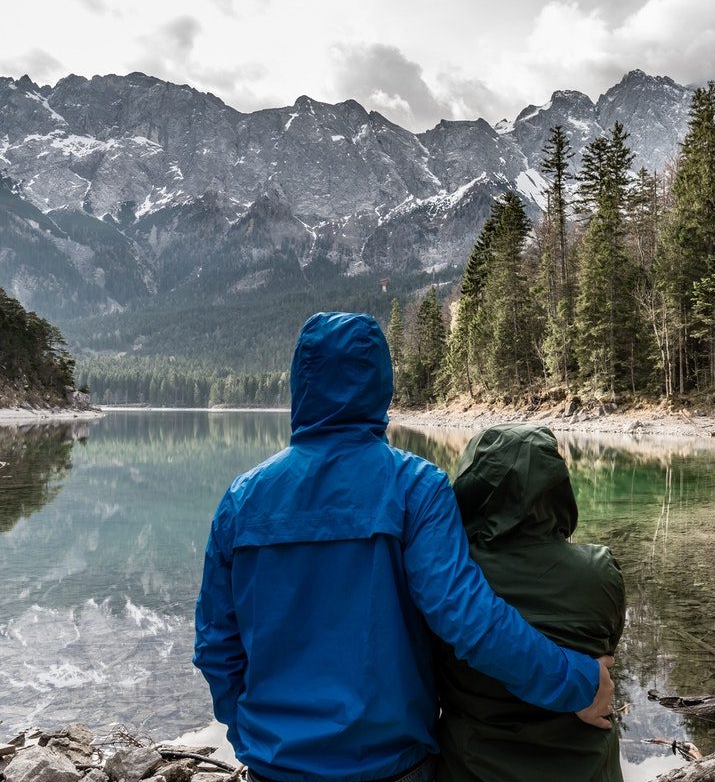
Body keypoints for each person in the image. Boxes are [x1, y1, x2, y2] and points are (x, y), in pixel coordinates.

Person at [193, 312, 614, 782]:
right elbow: (469, 622)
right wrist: (578, 682)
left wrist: (253, 733)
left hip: (274, 767)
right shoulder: (416, 486)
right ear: (381, 384)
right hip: (392, 767)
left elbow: (215, 647)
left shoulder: (241, 499)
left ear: (300, 382)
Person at [436, 423, 626, 782]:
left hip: (472, 769)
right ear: (556, 485)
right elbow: (608, 651)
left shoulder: (450, 578)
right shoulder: (600, 571)